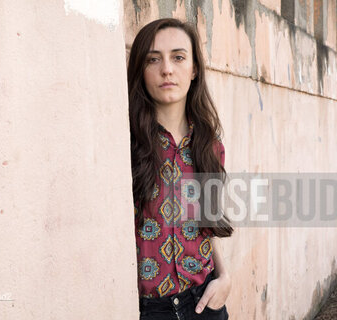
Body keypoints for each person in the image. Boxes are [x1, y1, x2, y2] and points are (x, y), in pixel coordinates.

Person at [127, 18, 234, 320]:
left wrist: (225, 277)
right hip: (149, 309)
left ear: (194, 68)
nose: (167, 69)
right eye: (153, 59)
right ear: (142, 69)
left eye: (178, 57)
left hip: (206, 301)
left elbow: (206, 224)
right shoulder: (126, 144)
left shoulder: (209, 146)